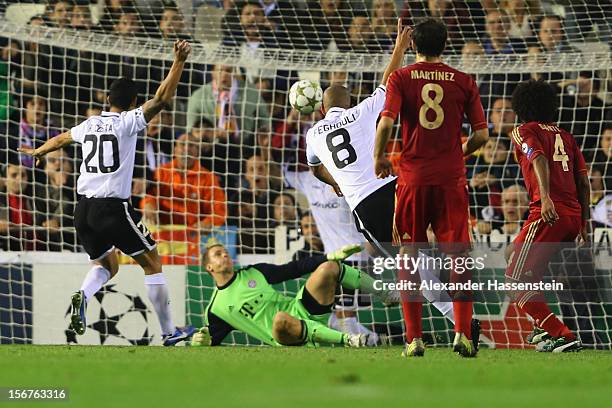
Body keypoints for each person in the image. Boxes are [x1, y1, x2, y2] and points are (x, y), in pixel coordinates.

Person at [18, 40, 197, 346]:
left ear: (106, 100)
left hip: (82, 210)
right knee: (152, 262)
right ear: (131, 102)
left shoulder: (89, 124)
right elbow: (162, 98)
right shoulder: (128, 122)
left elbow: (61, 138)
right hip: (112, 208)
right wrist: (178, 61)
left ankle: (83, 295)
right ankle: (170, 332)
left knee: (106, 265)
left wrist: (38, 151)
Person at [374, 18, 489, 357]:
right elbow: (482, 135)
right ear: (445, 44)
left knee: (408, 256)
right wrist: (458, 152)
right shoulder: (464, 81)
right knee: (458, 256)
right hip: (451, 179)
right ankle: (463, 334)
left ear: (415, 46)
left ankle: (413, 339)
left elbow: (386, 124)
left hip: (413, 178)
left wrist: (379, 157)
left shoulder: (400, 77)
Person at [306, 19, 410, 257]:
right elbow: (388, 82)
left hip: (364, 203)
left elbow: (316, 170)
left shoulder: (313, 134)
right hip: (393, 187)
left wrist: (335, 183)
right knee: (418, 245)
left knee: (400, 258)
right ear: (350, 103)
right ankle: (451, 286)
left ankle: (436, 293)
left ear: (322, 110)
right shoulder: (360, 112)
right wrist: (399, 48)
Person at [506, 79, 589, 352]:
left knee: (512, 282)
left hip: (547, 213)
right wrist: (584, 225)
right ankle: (544, 328)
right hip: (572, 217)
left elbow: (538, 158)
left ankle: (561, 333)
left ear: (520, 106)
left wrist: (546, 199)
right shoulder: (566, 136)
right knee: (515, 258)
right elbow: (584, 183)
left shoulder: (522, 131)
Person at [190, 242, 395, 347]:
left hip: (303, 310)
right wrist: (199, 342)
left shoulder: (254, 272)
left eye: (225, 251)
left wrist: (328, 256)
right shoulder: (216, 308)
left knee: (329, 267)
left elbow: (293, 268)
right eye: (218, 254)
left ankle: (385, 293)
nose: (225, 254)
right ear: (209, 267)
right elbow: (211, 339)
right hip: (285, 335)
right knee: (280, 318)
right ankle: (348, 340)